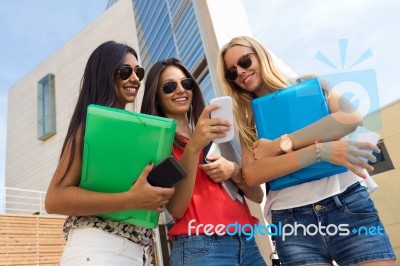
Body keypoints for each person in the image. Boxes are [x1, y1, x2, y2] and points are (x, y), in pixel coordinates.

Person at [217, 36, 396, 266]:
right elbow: (252, 174)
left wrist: (279, 145)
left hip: (346, 203)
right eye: (232, 72)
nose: (240, 72)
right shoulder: (246, 119)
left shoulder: (308, 84)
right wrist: (318, 151)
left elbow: (350, 118)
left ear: (259, 55)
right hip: (291, 221)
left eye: (244, 61)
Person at [45, 41, 175, 266]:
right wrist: (131, 199)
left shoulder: (141, 133)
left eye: (138, 72)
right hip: (97, 250)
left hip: (136, 253)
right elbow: (54, 200)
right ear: (104, 74)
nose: (135, 78)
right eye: (125, 72)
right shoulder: (89, 127)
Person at [141, 58, 267, 266]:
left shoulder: (217, 135)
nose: (181, 90)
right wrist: (193, 147)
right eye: (170, 86)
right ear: (156, 97)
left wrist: (235, 172)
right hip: (200, 248)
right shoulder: (157, 144)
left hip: (247, 244)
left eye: (186, 83)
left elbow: (257, 195)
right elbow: (177, 210)